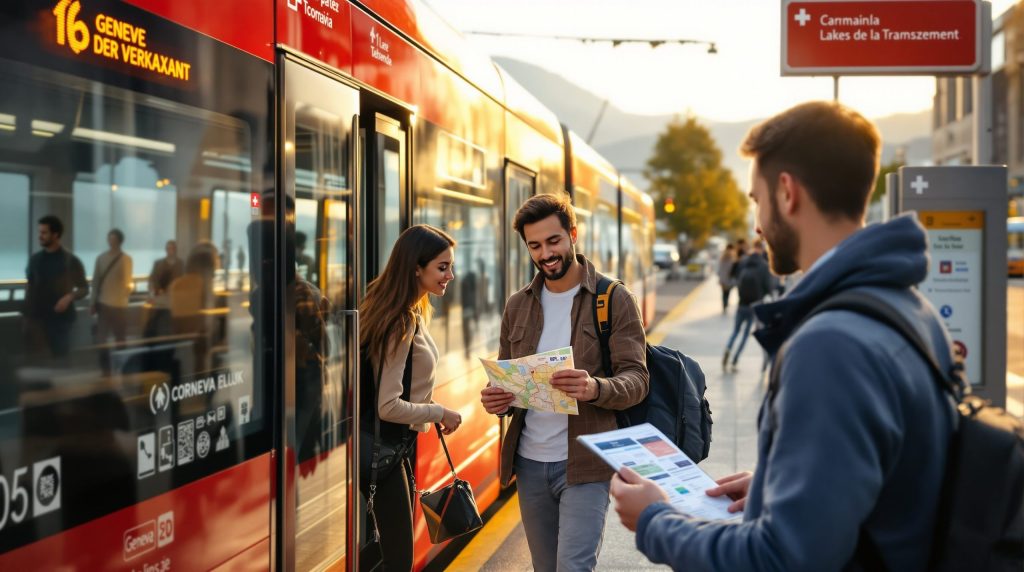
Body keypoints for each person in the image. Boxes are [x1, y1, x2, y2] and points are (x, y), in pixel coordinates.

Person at [610, 101, 957, 571]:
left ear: (787, 192)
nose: (756, 223)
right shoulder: (912, 309)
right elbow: (897, 477)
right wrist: (782, 483)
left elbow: (781, 559)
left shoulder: (829, 346)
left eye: (756, 199)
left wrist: (655, 520)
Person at [480, 194, 649, 572]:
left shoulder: (613, 298)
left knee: (573, 567)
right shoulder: (517, 305)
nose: (546, 254)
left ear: (573, 234)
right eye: (534, 246)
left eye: (553, 241)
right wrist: (498, 399)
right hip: (529, 463)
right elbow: (510, 380)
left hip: (586, 463)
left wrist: (595, 388)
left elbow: (637, 380)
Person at [358, 224, 464, 571]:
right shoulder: (401, 321)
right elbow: (387, 406)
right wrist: (439, 412)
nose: (450, 274)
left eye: (450, 266)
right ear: (416, 268)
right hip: (383, 450)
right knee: (399, 559)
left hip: (389, 448)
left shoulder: (402, 310)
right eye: (442, 267)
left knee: (388, 552)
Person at [23, 215, 88, 358]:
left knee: (60, 360)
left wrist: (69, 297)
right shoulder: (35, 260)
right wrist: (27, 316)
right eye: (39, 232)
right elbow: (30, 287)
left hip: (61, 321)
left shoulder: (70, 260)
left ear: (55, 234)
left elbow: (84, 288)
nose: (40, 236)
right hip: (38, 319)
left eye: (44, 233)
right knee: (38, 361)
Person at [722, 240, 771, 372]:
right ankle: (735, 360)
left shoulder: (744, 262)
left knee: (735, 331)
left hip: (741, 303)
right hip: (754, 305)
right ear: (761, 249)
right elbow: (769, 287)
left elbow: (736, 276)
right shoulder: (764, 265)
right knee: (745, 335)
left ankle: (728, 347)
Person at [90, 228, 134, 347]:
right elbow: (96, 281)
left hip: (119, 305)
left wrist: (125, 295)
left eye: (113, 240)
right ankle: (105, 364)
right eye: (110, 239)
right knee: (102, 338)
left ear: (120, 241)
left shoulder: (126, 259)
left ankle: (120, 362)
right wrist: (93, 302)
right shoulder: (101, 258)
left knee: (120, 336)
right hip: (104, 303)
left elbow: (128, 281)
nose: (111, 242)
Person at [145, 240, 183, 337]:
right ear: (166, 250)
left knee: (171, 326)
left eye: (172, 248)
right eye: (168, 248)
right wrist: (151, 295)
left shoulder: (181, 265)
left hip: (175, 301)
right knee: (158, 324)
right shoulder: (158, 264)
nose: (170, 250)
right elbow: (151, 280)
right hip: (160, 300)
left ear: (176, 250)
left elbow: (184, 282)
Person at [716, 243, 737, 312]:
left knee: (724, 293)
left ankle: (724, 305)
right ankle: (725, 304)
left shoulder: (722, 257)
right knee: (727, 293)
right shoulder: (732, 257)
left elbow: (719, 269)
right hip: (728, 279)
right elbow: (732, 269)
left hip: (723, 279)